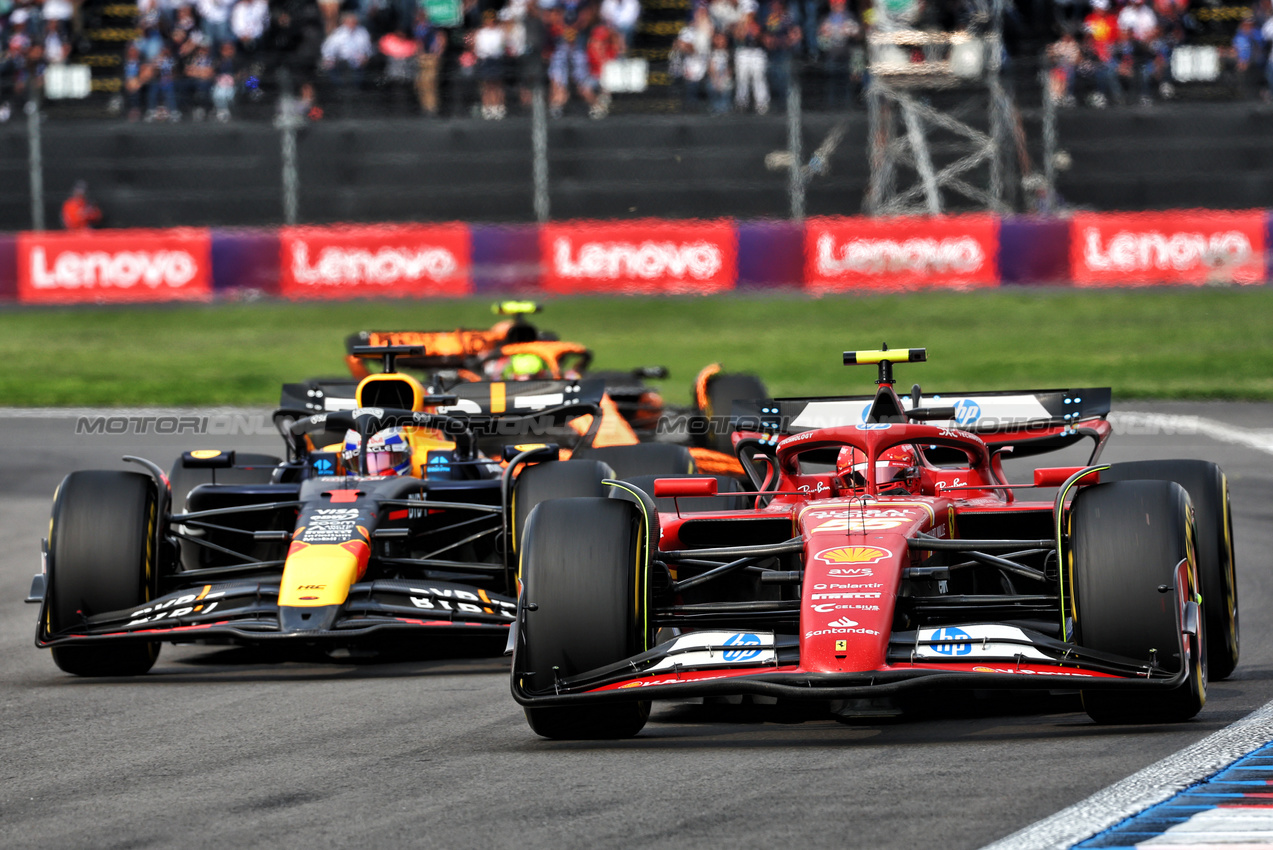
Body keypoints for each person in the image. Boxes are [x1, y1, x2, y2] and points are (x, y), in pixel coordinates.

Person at [320, 12, 373, 90]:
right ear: (344, 22)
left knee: (362, 68)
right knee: (330, 66)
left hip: (357, 62)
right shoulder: (337, 33)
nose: (352, 24)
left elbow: (368, 48)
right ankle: (339, 89)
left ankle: (357, 89)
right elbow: (328, 49)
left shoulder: (362, 32)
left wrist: (366, 56)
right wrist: (330, 59)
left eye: (354, 22)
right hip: (341, 62)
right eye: (349, 22)